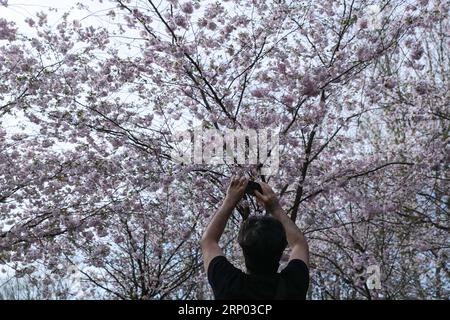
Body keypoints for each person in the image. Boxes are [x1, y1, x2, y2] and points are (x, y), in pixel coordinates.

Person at [200, 176, 310, 300]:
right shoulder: (292, 286)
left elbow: (208, 240)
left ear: (243, 247)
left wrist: (230, 200)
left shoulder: (229, 285)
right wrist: (275, 208)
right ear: (282, 248)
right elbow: (299, 243)